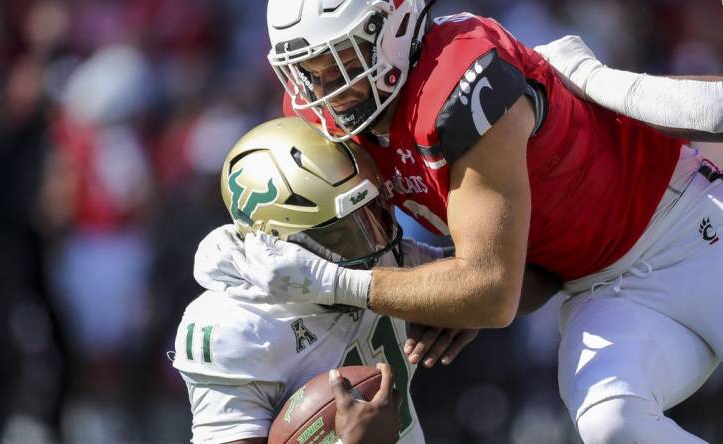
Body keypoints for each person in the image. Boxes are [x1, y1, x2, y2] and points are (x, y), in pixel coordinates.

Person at [195, 1, 723, 442]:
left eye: (341, 60)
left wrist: (336, 282)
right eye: (310, 68)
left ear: (395, 28)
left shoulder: (460, 77)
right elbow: (526, 283)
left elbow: (490, 292)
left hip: (688, 228)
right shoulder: (337, 119)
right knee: (615, 423)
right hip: (600, 290)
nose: (324, 86)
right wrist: (245, 247)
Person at [173, 117, 480, 443]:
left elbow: (521, 279)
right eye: (341, 233)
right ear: (281, 242)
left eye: (373, 213)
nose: (375, 246)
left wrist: (472, 300)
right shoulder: (234, 326)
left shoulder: (386, 254)